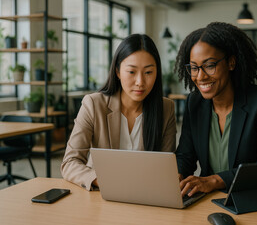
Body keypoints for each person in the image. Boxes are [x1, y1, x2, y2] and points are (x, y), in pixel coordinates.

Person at [174, 22, 257, 197]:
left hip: (250, 198)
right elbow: (185, 156)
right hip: (207, 201)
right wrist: (177, 175)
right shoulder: (194, 103)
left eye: (209, 65)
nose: (200, 76)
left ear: (231, 63)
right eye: (194, 68)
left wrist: (215, 180)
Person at [61, 34, 177, 191]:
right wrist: (100, 180)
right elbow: (70, 162)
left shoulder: (166, 108)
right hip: (101, 195)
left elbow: (165, 168)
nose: (140, 82)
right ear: (117, 71)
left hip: (145, 196)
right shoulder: (94, 104)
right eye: (131, 72)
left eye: (148, 72)